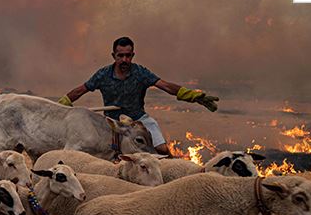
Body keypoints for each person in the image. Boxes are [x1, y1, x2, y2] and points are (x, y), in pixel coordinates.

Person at [57, 36, 218, 156]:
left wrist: (192, 96)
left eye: (128, 55)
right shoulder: (103, 75)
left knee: (162, 152)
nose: (124, 60)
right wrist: (62, 104)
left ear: (133, 55)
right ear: (113, 55)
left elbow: (165, 86)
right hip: (113, 125)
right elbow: (81, 90)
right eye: (120, 56)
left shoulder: (140, 72)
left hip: (139, 121)